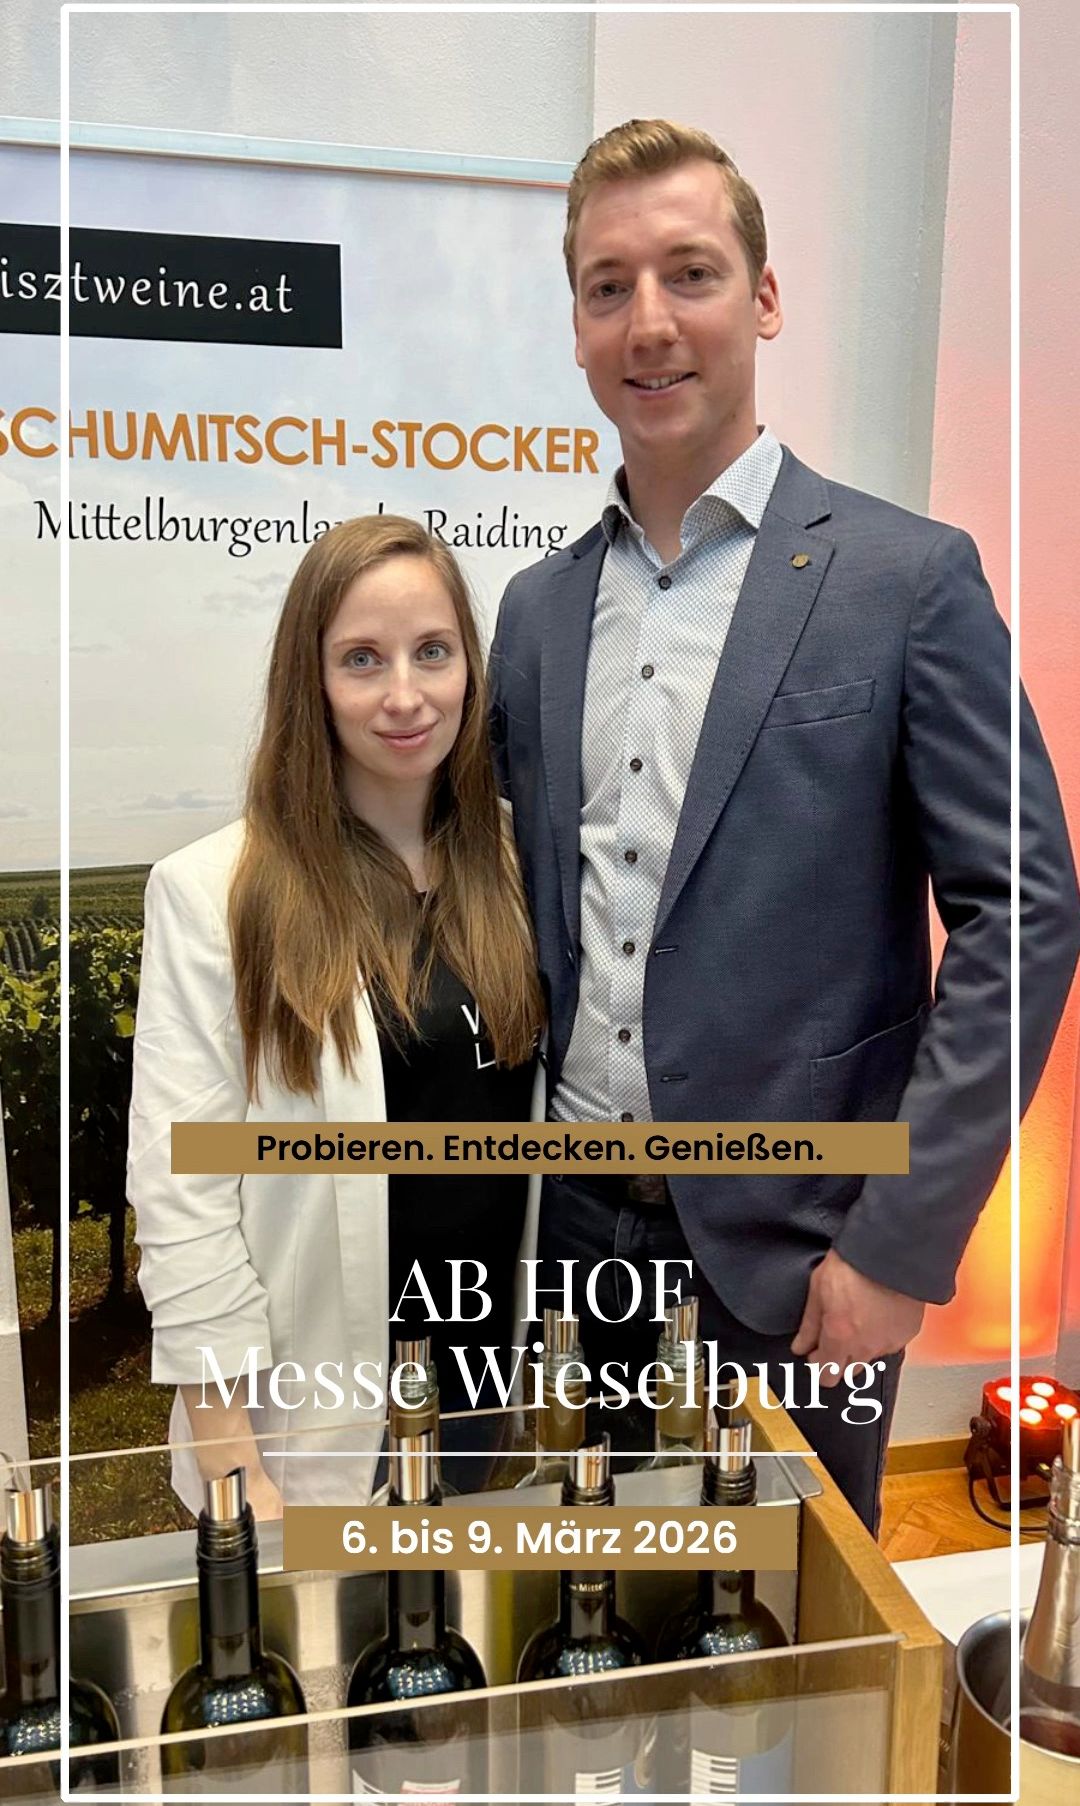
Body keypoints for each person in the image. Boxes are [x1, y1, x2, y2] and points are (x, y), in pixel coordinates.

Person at [489, 119, 1080, 1531]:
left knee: (784, 1664)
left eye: (690, 272)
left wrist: (899, 1243)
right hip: (579, 1236)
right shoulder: (537, 611)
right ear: (575, 324)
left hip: (807, 1253)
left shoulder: (906, 579)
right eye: (607, 284)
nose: (649, 323)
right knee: (597, 1611)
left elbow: (1028, 906)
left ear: (763, 296)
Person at [129, 515, 545, 1517]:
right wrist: (234, 1459)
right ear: (310, 681)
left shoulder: (526, 866)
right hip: (309, 1417)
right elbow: (182, 1189)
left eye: (432, 653)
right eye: (363, 659)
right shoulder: (214, 890)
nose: (405, 695)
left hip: (477, 1388)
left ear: (468, 670)